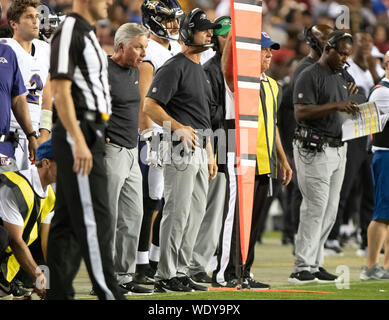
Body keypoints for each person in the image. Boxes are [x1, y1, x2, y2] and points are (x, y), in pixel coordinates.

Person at [46, 0, 125, 300]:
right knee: (96, 219)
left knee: (66, 225)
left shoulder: (87, 32)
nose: (109, 3)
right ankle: (109, 293)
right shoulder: (69, 29)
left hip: (88, 130)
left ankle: (58, 294)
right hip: (78, 128)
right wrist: (78, 138)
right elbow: (60, 88)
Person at [144, 8, 219, 293]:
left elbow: (204, 118)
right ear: (188, 32)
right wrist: (177, 127)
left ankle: (182, 270)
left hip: (201, 148)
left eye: (210, 29)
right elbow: (149, 106)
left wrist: (211, 154)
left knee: (195, 213)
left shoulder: (200, 70)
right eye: (203, 29)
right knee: (177, 212)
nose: (209, 33)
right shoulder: (174, 66)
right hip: (179, 148)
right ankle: (166, 274)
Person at [212, 32, 292, 289]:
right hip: (240, 158)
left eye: (271, 50)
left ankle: (245, 272)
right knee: (235, 220)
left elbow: (273, 124)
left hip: (265, 161)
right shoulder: (239, 81)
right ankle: (226, 272)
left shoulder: (272, 85)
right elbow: (226, 70)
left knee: (254, 223)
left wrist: (282, 157)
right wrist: (236, 37)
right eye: (264, 50)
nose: (270, 54)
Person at [289, 31, 359, 284]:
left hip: (339, 147)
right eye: (340, 52)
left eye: (347, 54)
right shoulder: (309, 74)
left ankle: (315, 262)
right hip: (313, 148)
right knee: (315, 208)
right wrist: (336, 106)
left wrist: (353, 98)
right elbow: (300, 112)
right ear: (327, 48)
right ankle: (301, 267)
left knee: (330, 211)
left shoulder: (341, 75)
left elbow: (347, 100)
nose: (344, 58)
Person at [135, 0, 183, 285]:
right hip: (155, 134)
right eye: (168, 19)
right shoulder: (148, 50)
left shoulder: (176, 48)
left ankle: (155, 262)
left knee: (166, 202)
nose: (174, 25)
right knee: (150, 200)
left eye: (175, 19)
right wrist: (149, 135)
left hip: (175, 131)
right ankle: (141, 264)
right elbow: (144, 101)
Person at [102, 22, 152, 295]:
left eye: (145, 47)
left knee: (134, 216)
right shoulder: (103, 71)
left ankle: (123, 276)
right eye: (138, 47)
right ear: (120, 46)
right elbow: (84, 106)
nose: (143, 53)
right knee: (108, 218)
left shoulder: (135, 71)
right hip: (111, 152)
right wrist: (99, 137)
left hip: (132, 151)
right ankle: (104, 279)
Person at [278, 24, 333, 246]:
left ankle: (311, 251)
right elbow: (290, 112)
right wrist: (287, 147)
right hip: (303, 143)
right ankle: (296, 241)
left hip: (321, 142)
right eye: (325, 38)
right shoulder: (305, 69)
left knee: (319, 200)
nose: (330, 43)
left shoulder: (326, 67)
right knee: (304, 197)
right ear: (312, 42)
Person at [189, 15, 231, 283]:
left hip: (231, 143)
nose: (229, 40)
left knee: (220, 212)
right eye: (225, 35)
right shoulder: (210, 70)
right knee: (207, 209)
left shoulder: (240, 70)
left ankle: (212, 262)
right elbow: (207, 114)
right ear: (216, 38)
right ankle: (195, 265)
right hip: (215, 143)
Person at [0, 139, 56, 300]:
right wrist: (37, 276)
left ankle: (15, 282)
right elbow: (15, 241)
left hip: (11, 255)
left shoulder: (50, 195)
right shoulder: (14, 186)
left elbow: (46, 243)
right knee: (2, 235)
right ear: (46, 163)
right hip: (8, 244)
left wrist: (48, 282)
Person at [3, 0, 52, 170]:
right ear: (14, 23)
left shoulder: (45, 49)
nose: (35, 21)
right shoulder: (5, 48)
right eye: (29, 17)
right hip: (10, 133)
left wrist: (44, 133)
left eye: (37, 16)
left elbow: (47, 96)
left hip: (36, 135)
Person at [360, 51, 389, 280]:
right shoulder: (383, 93)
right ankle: (371, 266)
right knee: (381, 213)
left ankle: (386, 266)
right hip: (385, 155)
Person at [0, 40, 37, 173]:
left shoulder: (7, 53)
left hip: (3, 149)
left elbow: (17, 99)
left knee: (9, 192)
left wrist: (31, 135)